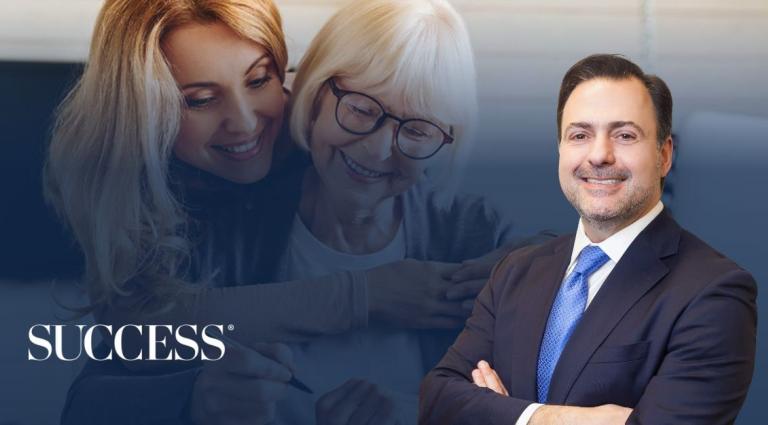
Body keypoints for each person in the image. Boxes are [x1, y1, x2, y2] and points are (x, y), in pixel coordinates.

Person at [44, 1, 475, 424]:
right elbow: (132, 338)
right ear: (145, 115)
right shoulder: (191, 218)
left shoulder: (451, 223)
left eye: (258, 80)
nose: (246, 123)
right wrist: (364, 296)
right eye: (200, 100)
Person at [420, 54, 758, 425]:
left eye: (625, 135)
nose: (599, 155)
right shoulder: (516, 272)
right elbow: (439, 400)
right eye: (580, 135)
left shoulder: (714, 293)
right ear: (560, 151)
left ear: (663, 155)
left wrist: (496, 412)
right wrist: (547, 419)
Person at [269, 0, 547, 423]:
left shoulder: (472, 232)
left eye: (417, 129)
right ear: (316, 92)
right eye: (361, 109)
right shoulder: (240, 211)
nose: (379, 149)